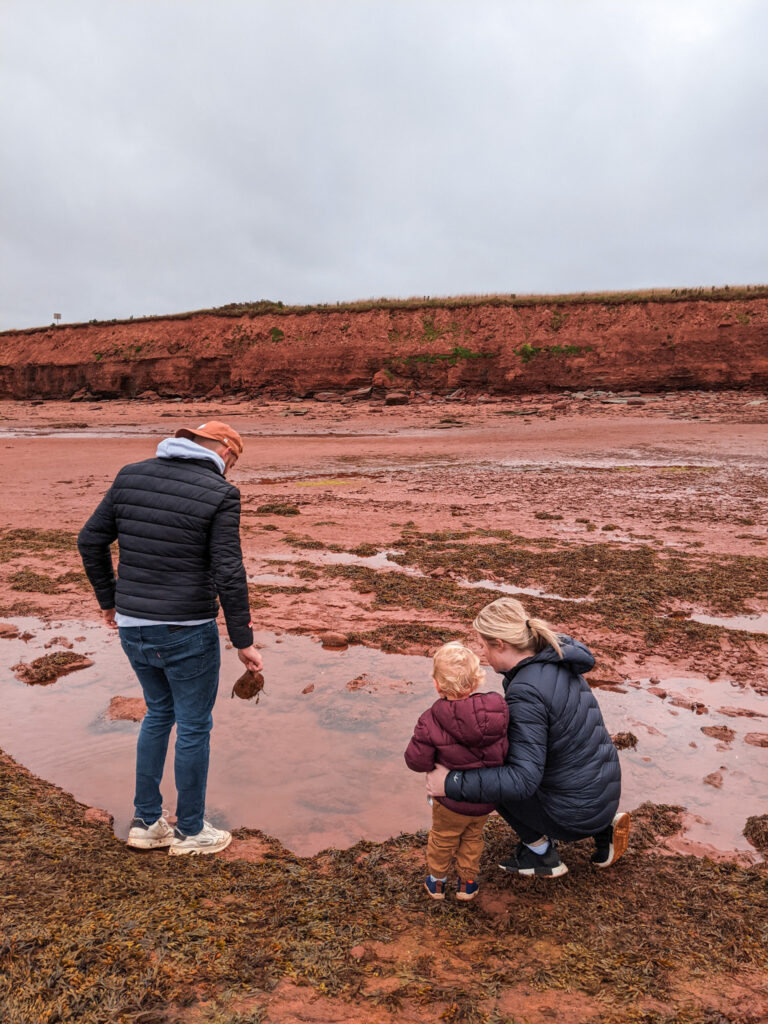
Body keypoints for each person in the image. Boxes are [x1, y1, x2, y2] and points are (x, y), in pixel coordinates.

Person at [78, 421, 263, 856]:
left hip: (133, 626)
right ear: (221, 450)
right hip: (186, 629)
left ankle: (146, 823)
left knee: (159, 714)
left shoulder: (131, 474)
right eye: (232, 459)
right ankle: (191, 831)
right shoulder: (221, 493)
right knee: (194, 726)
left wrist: (111, 602)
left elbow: (90, 541)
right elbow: (229, 571)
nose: (230, 469)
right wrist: (243, 640)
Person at [426, 598, 630, 877]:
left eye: (484, 647)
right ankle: (603, 829)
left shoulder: (526, 691)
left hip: (573, 814)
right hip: (603, 794)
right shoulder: (557, 658)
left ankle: (541, 855)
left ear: (500, 644)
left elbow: (521, 781)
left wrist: (450, 782)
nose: (484, 656)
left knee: (486, 764)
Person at [405, 641, 509, 901]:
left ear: (437, 684)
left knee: (442, 838)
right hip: (486, 797)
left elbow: (417, 761)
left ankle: (437, 882)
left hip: (449, 799)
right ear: (477, 681)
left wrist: (434, 764)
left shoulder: (430, 718)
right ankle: (467, 884)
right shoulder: (498, 710)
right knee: (473, 838)